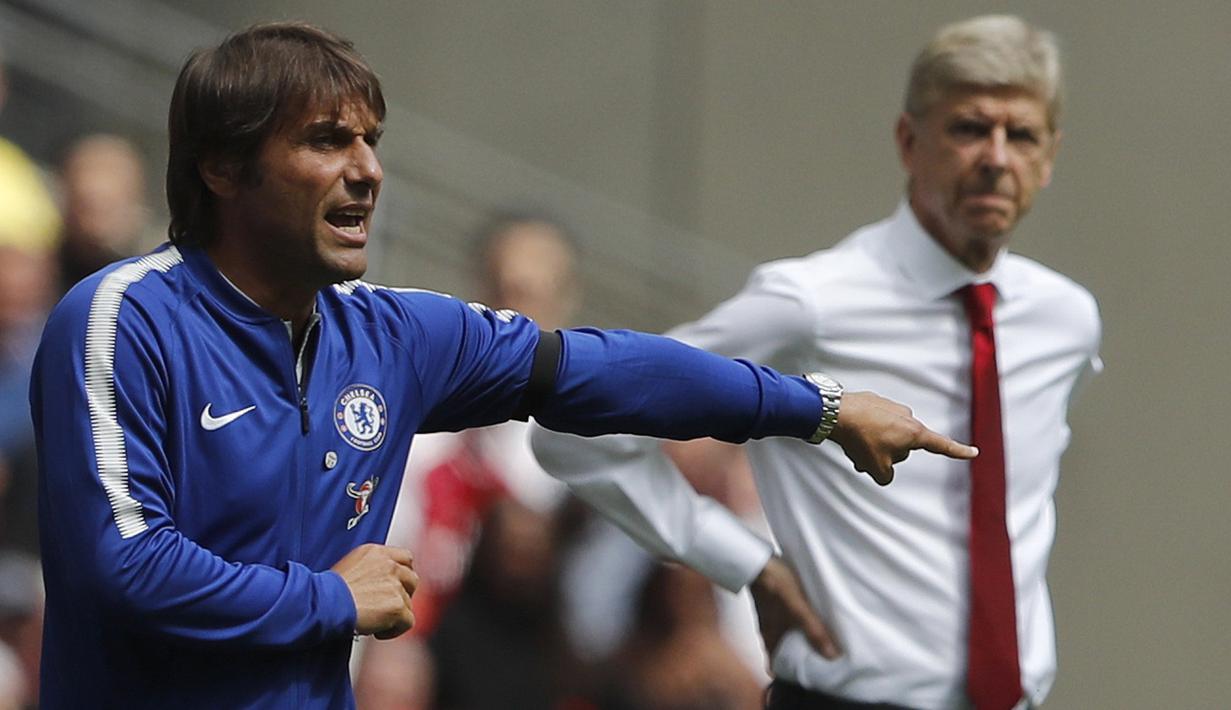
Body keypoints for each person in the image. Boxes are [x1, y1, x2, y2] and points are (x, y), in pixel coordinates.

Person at [30, 22, 974, 709]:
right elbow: (124, 568)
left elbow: (599, 370)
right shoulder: (125, 317)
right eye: (326, 141)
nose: (367, 170)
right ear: (221, 170)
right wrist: (329, 596)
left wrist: (813, 406)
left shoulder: (391, 336)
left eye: (372, 141)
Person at [533, 14, 1101, 710]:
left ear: (1049, 157)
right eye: (967, 128)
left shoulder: (1064, 320)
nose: (994, 157)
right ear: (907, 140)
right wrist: (742, 563)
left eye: (1020, 135)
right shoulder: (810, 300)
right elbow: (576, 427)